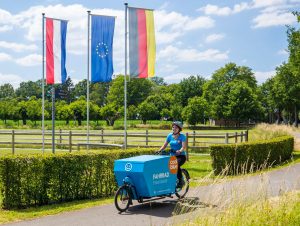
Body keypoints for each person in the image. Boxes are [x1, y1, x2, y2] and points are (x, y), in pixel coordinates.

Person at [158, 121, 187, 188]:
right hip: (172, 156)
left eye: (176, 127)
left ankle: (181, 181)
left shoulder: (182, 136)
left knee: (175, 165)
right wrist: (159, 150)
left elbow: (183, 147)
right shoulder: (169, 136)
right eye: (173, 127)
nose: (174, 128)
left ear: (179, 129)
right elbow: (164, 145)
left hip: (181, 156)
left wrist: (180, 151)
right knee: (165, 166)